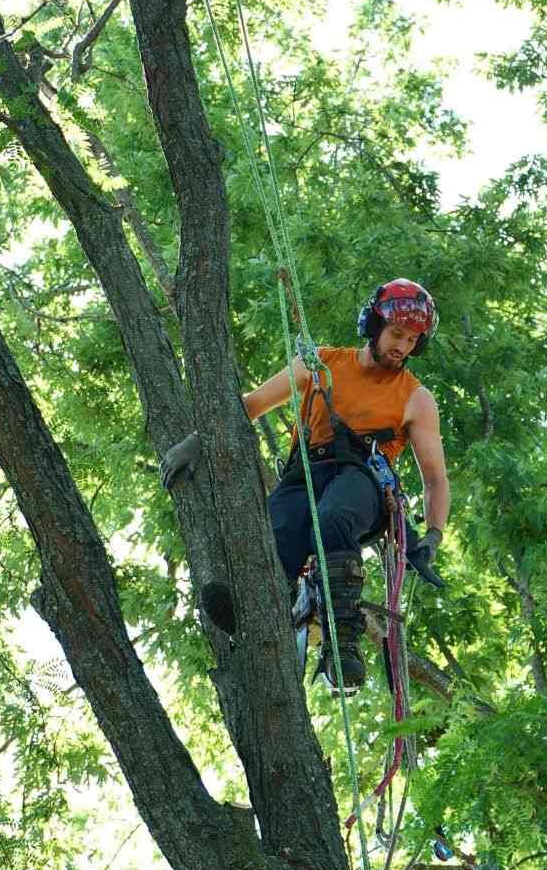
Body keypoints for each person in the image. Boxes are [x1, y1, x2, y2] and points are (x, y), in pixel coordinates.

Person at [161, 279, 450, 690]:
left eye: (412, 340)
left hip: (361, 480)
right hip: (305, 475)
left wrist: (434, 536)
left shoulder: (415, 398)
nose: (402, 346)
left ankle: (342, 644)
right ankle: (256, 613)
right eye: (396, 335)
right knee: (274, 537)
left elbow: (435, 478)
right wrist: (196, 442)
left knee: (332, 519)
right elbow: (252, 403)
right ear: (374, 325)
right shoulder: (321, 365)